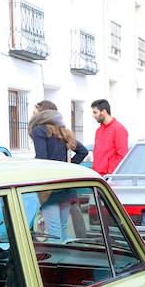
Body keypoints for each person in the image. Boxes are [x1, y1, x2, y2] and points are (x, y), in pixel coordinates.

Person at [28, 100, 89, 241]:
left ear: (42, 113)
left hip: (49, 188)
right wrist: (68, 168)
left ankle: (58, 261)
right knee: (61, 229)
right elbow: (83, 151)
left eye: (35, 111)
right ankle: (65, 259)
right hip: (65, 187)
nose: (33, 114)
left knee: (54, 232)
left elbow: (41, 158)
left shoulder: (39, 130)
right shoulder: (63, 131)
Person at [91, 99, 129, 175]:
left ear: (104, 112)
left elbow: (123, 155)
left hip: (110, 177)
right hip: (98, 176)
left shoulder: (119, 129)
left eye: (95, 112)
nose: (93, 116)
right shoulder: (99, 130)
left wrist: (110, 173)